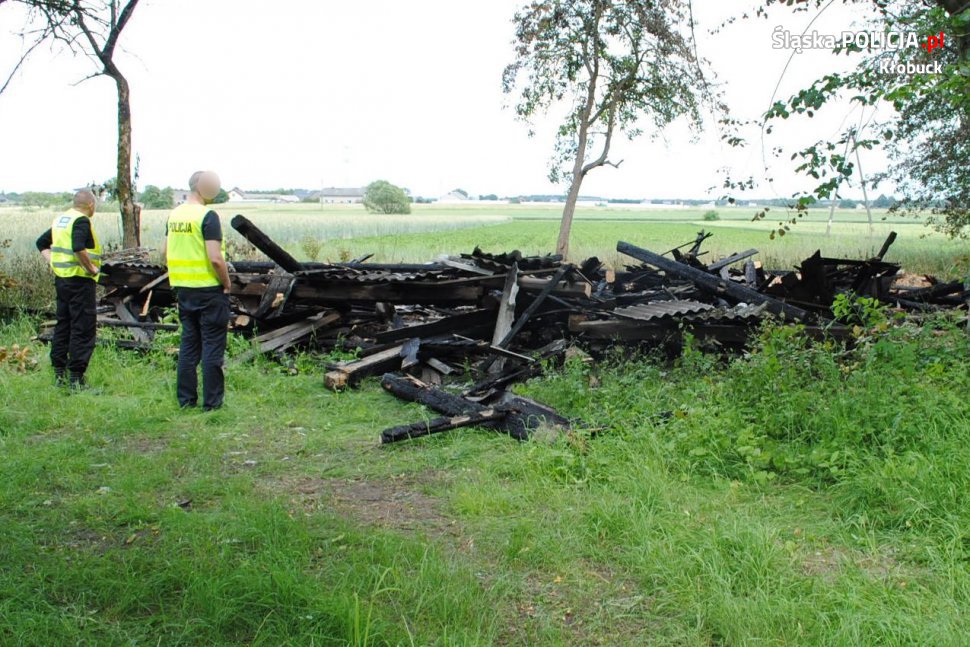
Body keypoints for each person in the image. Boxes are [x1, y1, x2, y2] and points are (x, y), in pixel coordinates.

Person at [164, 171, 232, 411]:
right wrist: (226, 283)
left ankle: (186, 400)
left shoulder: (175, 215)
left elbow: (165, 251)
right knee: (212, 347)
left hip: (184, 289)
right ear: (202, 188)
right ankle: (212, 404)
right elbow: (215, 258)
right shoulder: (207, 216)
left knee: (189, 345)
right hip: (208, 290)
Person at [36, 189, 102, 389]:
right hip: (79, 281)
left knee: (63, 325)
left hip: (62, 280)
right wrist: (91, 268)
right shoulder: (81, 221)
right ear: (91, 205)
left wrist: (54, 262)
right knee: (83, 327)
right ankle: (76, 379)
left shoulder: (61, 220)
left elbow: (41, 243)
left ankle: (59, 374)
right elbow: (78, 247)